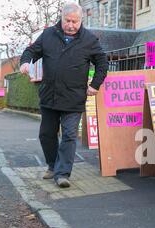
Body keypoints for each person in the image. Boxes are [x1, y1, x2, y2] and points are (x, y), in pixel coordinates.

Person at [19, 2, 108, 188]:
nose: (71, 25)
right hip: (49, 96)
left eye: (75, 22)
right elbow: (31, 51)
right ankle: (52, 166)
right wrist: (25, 62)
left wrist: (95, 85)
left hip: (73, 99)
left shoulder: (89, 40)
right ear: (62, 18)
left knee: (68, 135)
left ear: (80, 20)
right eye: (68, 21)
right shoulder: (48, 35)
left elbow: (102, 63)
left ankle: (62, 174)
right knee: (46, 134)